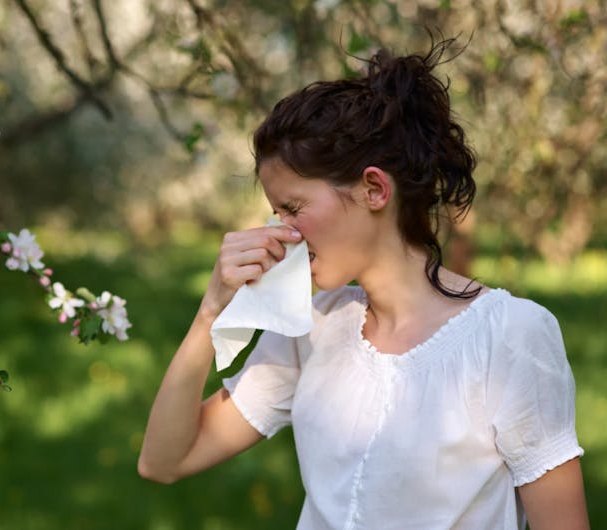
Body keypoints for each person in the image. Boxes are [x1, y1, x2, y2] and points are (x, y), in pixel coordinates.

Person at [137, 37, 589, 529]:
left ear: (374, 189)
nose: (280, 232)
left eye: (293, 207)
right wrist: (211, 312)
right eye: (276, 210)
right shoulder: (312, 326)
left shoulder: (508, 336)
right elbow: (163, 462)